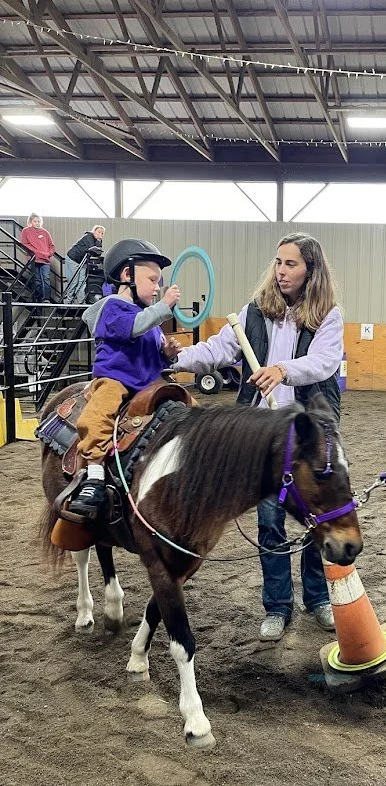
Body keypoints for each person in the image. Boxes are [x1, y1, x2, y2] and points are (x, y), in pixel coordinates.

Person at [173, 233, 343, 642]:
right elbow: (216, 350)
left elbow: (323, 363)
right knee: (270, 519)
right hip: (263, 437)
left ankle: (318, 598)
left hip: (307, 433)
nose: (281, 271)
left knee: (316, 516)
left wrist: (282, 370)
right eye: (278, 262)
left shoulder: (329, 316)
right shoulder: (252, 313)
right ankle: (278, 606)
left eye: (291, 264)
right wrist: (173, 357)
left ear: (311, 271)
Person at [70, 238, 182, 518]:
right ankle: (94, 474)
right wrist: (164, 306)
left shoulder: (149, 318)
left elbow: (152, 354)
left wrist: (166, 353)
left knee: (188, 404)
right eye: (153, 280)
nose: (158, 287)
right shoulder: (114, 308)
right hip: (116, 379)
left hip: (148, 384)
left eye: (160, 282)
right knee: (98, 414)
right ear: (127, 275)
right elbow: (132, 328)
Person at [20, 213, 56, 303]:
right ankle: (38, 298)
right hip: (34, 259)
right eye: (35, 221)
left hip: (45, 260)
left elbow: (52, 246)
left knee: (46, 279)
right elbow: (24, 244)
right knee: (37, 280)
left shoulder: (45, 232)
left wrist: (48, 254)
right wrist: (37, 253)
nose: (37, 223)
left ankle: (46, 298)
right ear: (30, 222)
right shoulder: (26, 231)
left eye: (38, 221)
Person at [65, 225, 105, 303]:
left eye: (102, 233)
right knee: (74, 281)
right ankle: (68, 300)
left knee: (82, 281)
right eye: (99, 232)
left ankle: (80, 301)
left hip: (83, 261)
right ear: (94, 231)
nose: (100, 234)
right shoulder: (88, 236)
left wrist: (99, 241)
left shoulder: (98, 240)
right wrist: (98, 242)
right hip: (73, 259)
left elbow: (98, 252)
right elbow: (92, 249)